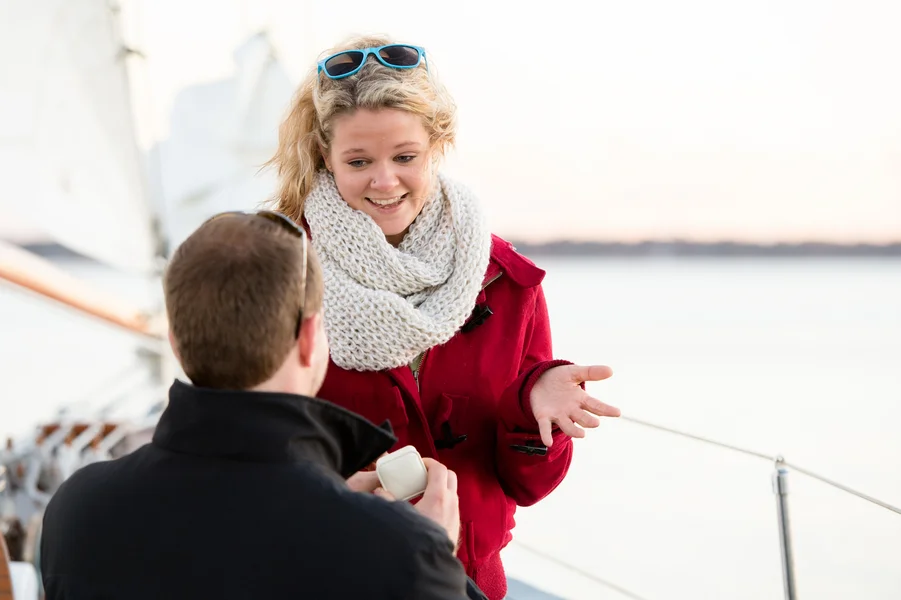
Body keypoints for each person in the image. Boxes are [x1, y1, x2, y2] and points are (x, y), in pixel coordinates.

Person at [266, 35, 621, 599]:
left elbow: (526, 486)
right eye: (359, 161)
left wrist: (534, 406)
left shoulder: (504, 281)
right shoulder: (281, 272)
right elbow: (250, 445)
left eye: (405, 157)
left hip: (468, 585)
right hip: (329, 574)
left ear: (438, 145)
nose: (385, 182)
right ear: (324, 157)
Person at [39, 211, 485, 600]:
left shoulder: (76, 510)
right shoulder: (401, 554)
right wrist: (435, 555)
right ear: (310, 339)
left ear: (175, 341)